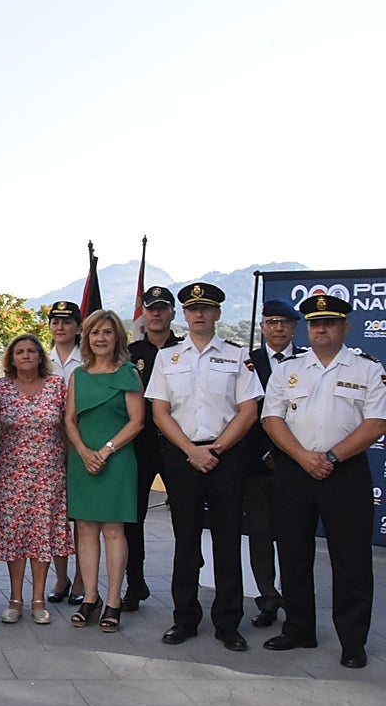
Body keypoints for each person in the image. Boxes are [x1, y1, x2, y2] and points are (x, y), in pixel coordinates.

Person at [262, 294, 386, 669]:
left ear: (345, 327)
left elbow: (376, 423)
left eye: (330, 323)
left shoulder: (367, 368)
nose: (321, 329)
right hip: (294, 470)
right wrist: (303, 458)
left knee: (351, 560)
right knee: (293, 553)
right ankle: (299, 628)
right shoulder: (288, 368)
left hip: (344, 473)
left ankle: (352, 641)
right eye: (315, 323)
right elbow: (272, 419)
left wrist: (330, 457)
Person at [146, 282, 261, 651]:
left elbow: (249, 409)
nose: (199, 314)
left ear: (217, 314)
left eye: (206, 309)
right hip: (182, 458)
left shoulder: (236, 355)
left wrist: (217, 448)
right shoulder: (169, 358)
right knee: (186, 540)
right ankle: (185, 619)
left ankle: (228, 623)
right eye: (193, 309)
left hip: (227, 457)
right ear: (184, 314)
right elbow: (159, 412)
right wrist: (190, 451)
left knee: (227, 540)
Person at [0, 334, 70, 625]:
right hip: (12, 473)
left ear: (41, 356)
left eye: (32, 350)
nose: (26, 355)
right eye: (20, 351)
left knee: (43, 534)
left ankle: (39, 599)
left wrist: (71, 464)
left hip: (49, 472)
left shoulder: (57, 386)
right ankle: (15, 598)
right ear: (12, 358)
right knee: (15, 535)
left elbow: (68, 427)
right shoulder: (1, 388)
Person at [63, 310, 144, 631]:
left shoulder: (128, 373)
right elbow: (69, 419)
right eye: (94, 332)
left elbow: (137, 421)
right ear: (87, 338)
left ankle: (113, 600)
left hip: (118, 459)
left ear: (117, 338)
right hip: (83, 459)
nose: (100, 338)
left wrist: (106, 451)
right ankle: (90, 597)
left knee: (113, 530)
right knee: (84, 528)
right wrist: (83, 452)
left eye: (107, 332)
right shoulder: (78, 376)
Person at [242, 297, 303, 628]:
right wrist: (263, 453)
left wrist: (288, 453)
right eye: (272, 322)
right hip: (256, 465)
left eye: (285, 322)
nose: (278, 327)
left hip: (297, 463)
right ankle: (268, 600)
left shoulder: (310, 363)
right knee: (261, 538)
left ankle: (297, 603)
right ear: (263, 327)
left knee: (295, 537)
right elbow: (242, 414)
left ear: (294, 327)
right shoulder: (247, 363)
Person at [122, 286, 181, 610]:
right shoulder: (131, 353)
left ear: (172, 313)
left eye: (162, 308)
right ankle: (135, 583)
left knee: (186, 518)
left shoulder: (185, 351)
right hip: (140, 445)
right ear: (144, 314)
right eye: (151, 309)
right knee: (133, 518)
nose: (156, 314)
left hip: (177, 444)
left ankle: (185, 585)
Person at [46, 300, 85, 605]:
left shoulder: (88, 359)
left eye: (67, 321)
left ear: (78, 326)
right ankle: (62, 577)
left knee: (82, 517)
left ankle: (83, 578)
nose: (61, 327)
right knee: (56, 518)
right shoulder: (42, 360)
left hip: (83, 442)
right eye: (56, 322)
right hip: (49, 447)